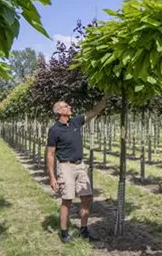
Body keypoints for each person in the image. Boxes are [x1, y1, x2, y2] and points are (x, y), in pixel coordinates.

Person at [46, 96, 107, 243]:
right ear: (59, 111)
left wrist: (106, 97)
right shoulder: (54, 130)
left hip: (80, 166)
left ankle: (84, 229)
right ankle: (65, 233)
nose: (70, 107)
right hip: (65, 167)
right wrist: (52, 177)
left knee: (87, 197)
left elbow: (93, 112)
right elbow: (50, 154)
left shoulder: (75, 122)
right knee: (67, 199)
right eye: (66, 106)